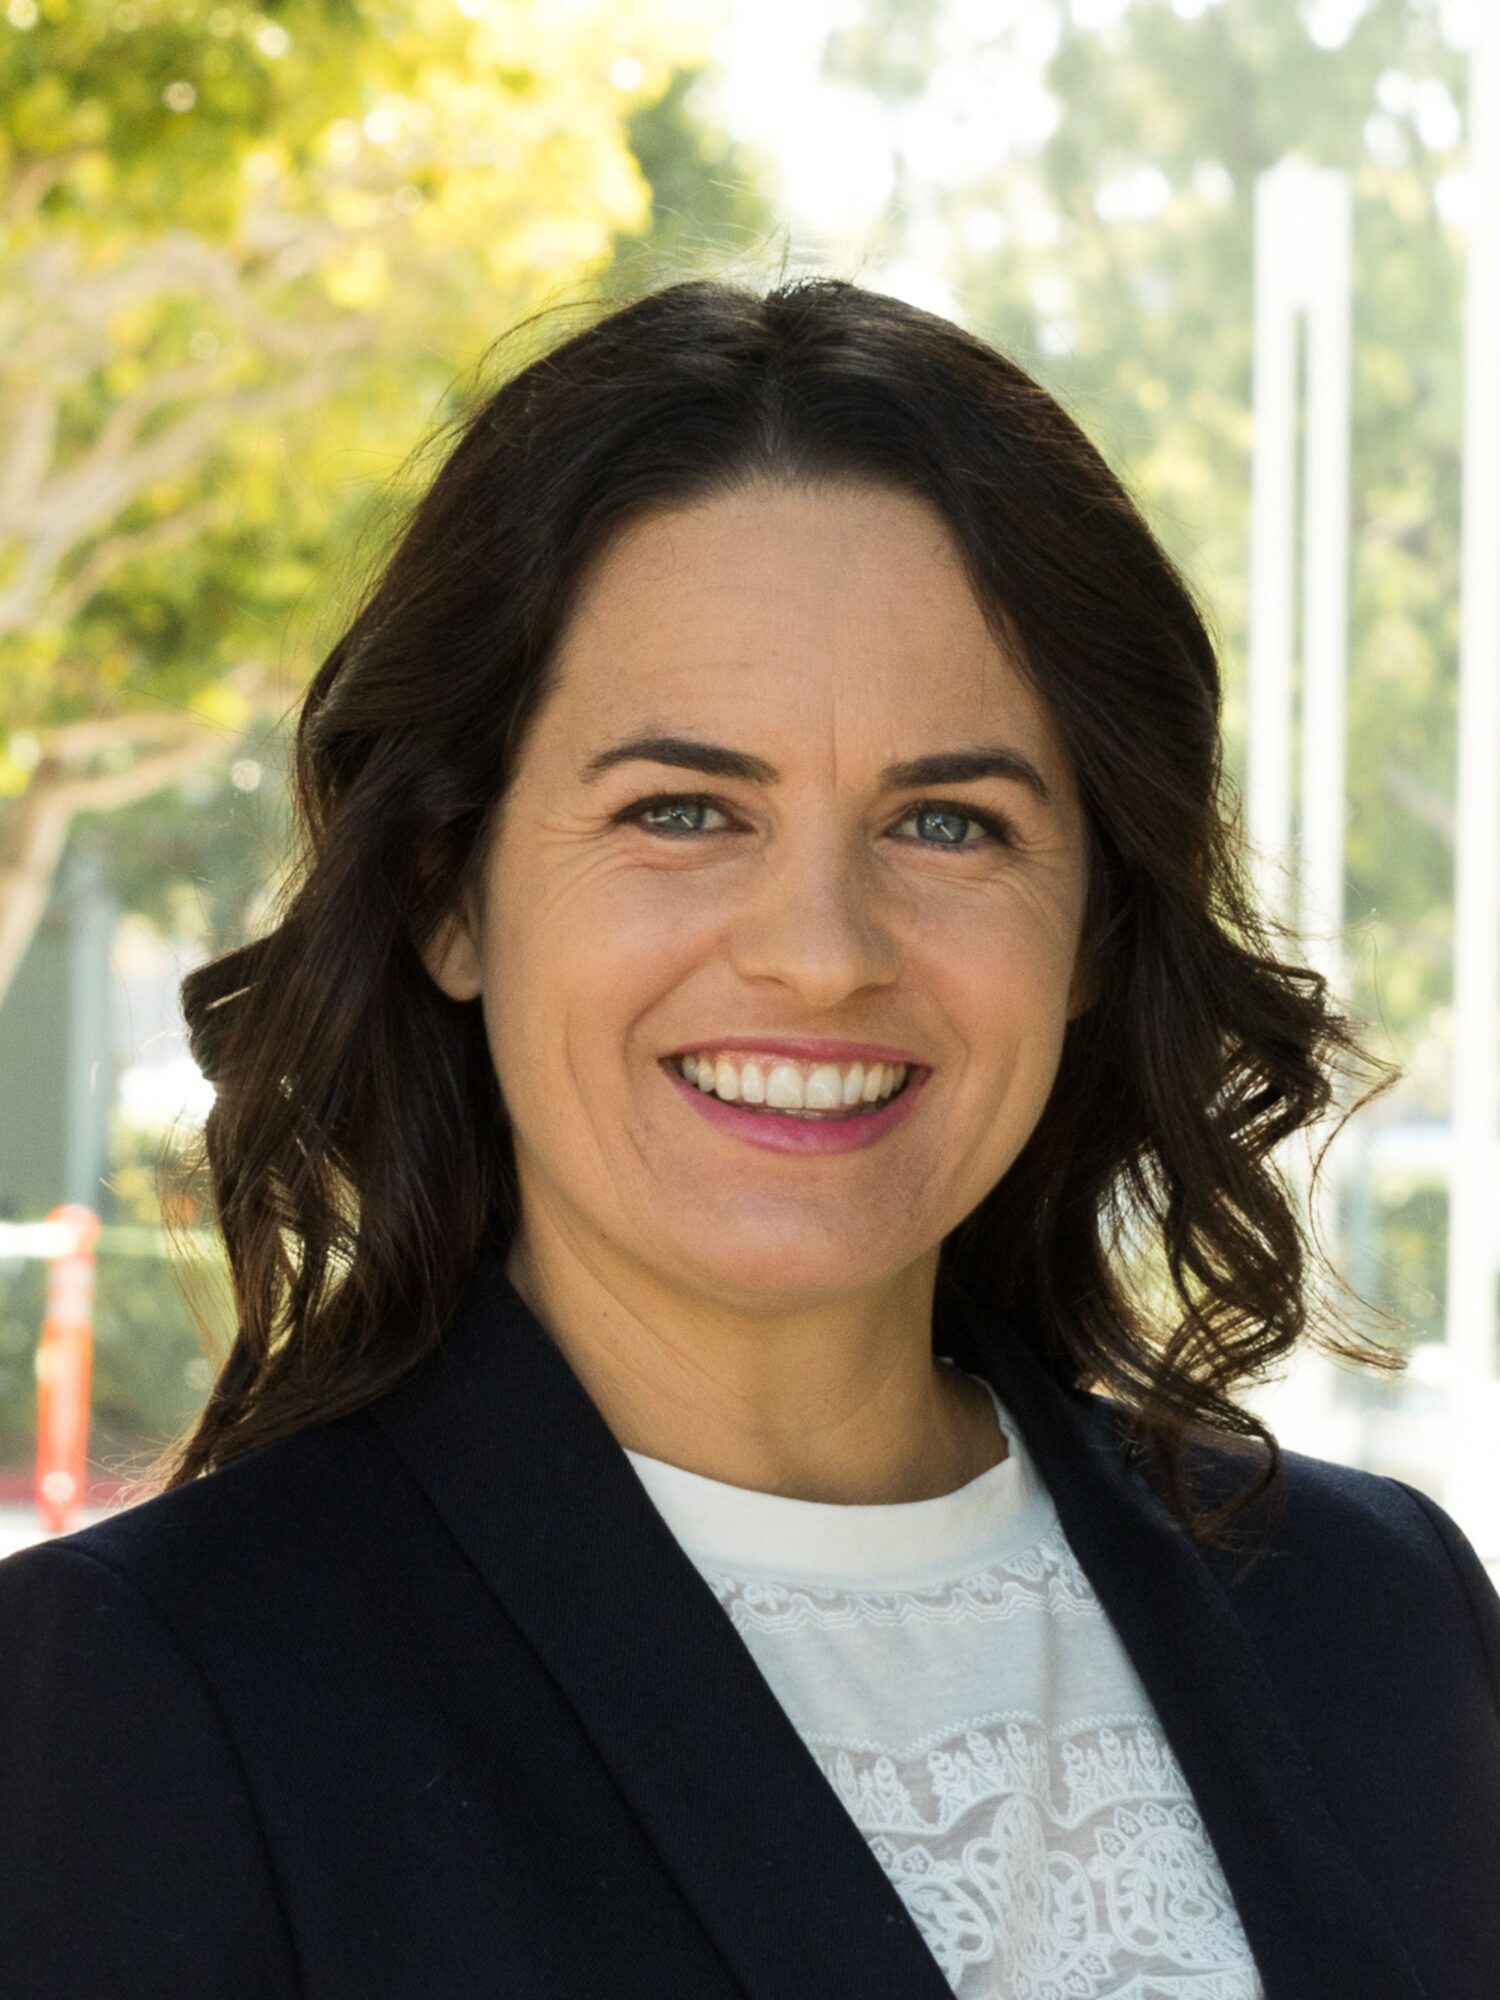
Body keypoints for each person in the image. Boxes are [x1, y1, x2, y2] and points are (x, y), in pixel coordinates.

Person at [1, 274, 1496, 2000]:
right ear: (448, 893)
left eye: (949, 820)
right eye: (684, 810)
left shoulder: (1381, 1619)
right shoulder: (175, 1688)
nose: (822, 949)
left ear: (1093, 925)